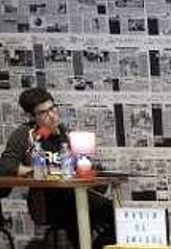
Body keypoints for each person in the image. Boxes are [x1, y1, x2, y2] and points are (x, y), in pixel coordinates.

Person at [0, 88, 116, 247]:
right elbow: (6, 167)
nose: (52, 115)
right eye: (43, 113)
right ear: (31, 116)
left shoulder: (65, 133)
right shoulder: (26, 134)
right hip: (47, 201)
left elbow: (82, 167)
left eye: (52, 108)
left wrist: (88, 167)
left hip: (74, 194)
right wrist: (34, 170)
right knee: (102, 215)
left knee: (115, 215)